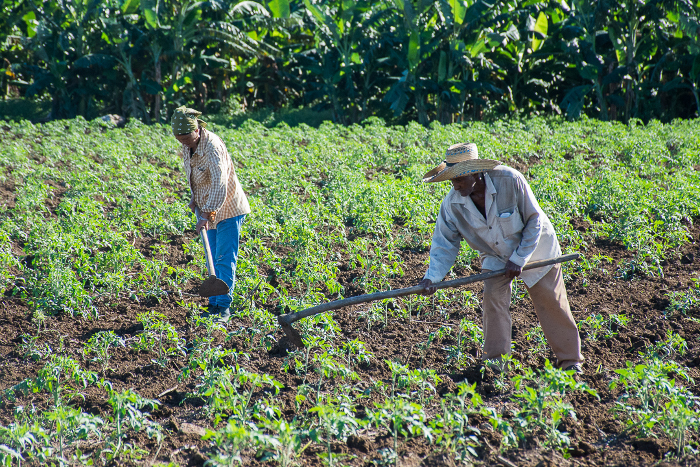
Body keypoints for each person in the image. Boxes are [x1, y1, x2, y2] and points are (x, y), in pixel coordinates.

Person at [417, 143, 583, 373]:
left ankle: (570, 361)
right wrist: (432, 278)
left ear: (475, 173)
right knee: (492, 301)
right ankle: (495, 366)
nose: (454, 185)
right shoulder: (452, 205)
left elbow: (534, 220)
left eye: (459, 179)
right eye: (451, 180)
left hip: (536, 248)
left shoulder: (509, 180)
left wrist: (520, 258)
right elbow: (444, 244)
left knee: (550, 301)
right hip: (495, 254)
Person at [171, 106, 250, 321]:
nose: (184, 142)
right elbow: (196, 176)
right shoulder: (189, 147)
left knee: (224, 258)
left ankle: (224, 307)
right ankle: (213, 305)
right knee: (212, 259)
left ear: (197, 130)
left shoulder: (212, 146)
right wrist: (195, 198)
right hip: (207, 206)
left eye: (187, 137)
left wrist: (205, 214)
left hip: (227, 209)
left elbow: (219, 182)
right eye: (180, 139)